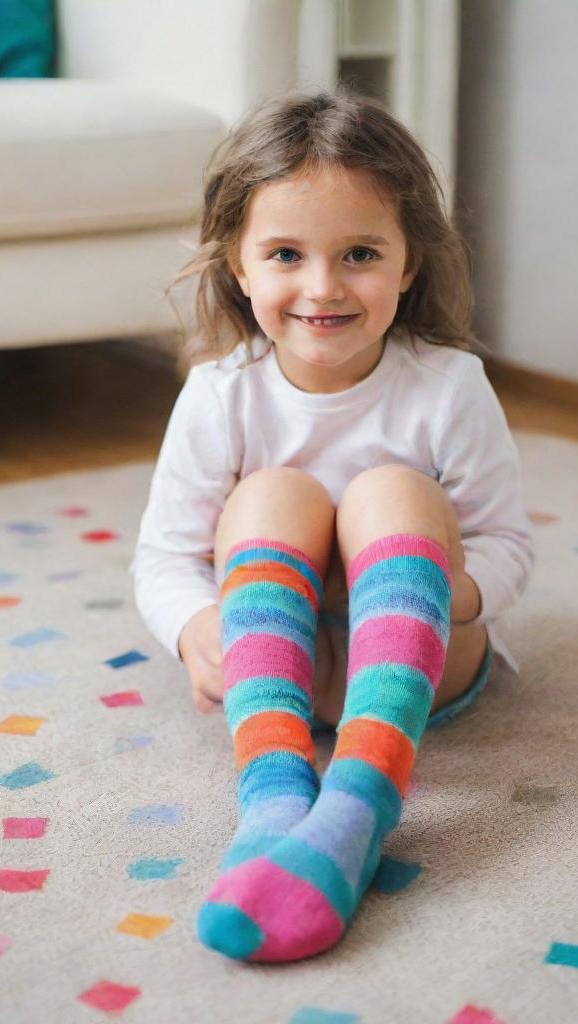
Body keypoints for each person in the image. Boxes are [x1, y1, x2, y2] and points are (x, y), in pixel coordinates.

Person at [132, 89, 534, 963]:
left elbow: (509, 544)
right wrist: (197, 629)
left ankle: (359, 797)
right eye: (285, 254)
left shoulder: (448, 385)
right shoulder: (221, 393)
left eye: (359, 253)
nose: (322, 287)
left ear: (409, 263)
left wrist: (444, 593)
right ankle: (275, 798)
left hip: (421, 670)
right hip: (290, 665)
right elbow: (164, 558)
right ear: (238, 266)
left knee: (389, 491)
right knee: (274, 496)